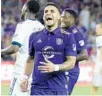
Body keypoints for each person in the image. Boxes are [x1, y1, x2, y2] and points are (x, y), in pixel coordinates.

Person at [20, 2, 77, 95]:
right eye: (46, 11)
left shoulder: (68, 37)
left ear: (59, 17)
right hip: (37, 89)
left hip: (58, 89)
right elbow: (30, 59)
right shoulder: (34, 36)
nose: (48, 13)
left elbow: (71, 62)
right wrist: (25, 77)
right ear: (43, 17)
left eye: (52, 11)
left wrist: (55, 67)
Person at [1, 0, 44, 96]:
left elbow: (15, 48)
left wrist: (1, 51)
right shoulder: (42, 27)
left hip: (21, 72)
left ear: (25, 9)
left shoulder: (22, 26)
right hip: (37, 75)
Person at [60, 8, 88, 95]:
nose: (62, 19)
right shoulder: (62, 31)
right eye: (62, 17)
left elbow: (84, 55)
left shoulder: (76, 34)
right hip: (61, 69)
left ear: (72, 20)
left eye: (65, 17)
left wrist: (69, 60)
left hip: (70, 71)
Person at [91, 15, 102, 96]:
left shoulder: (99, 38)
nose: (96, 30)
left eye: (97, 28)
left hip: (100, 63)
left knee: (95, 85)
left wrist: (100, 65)